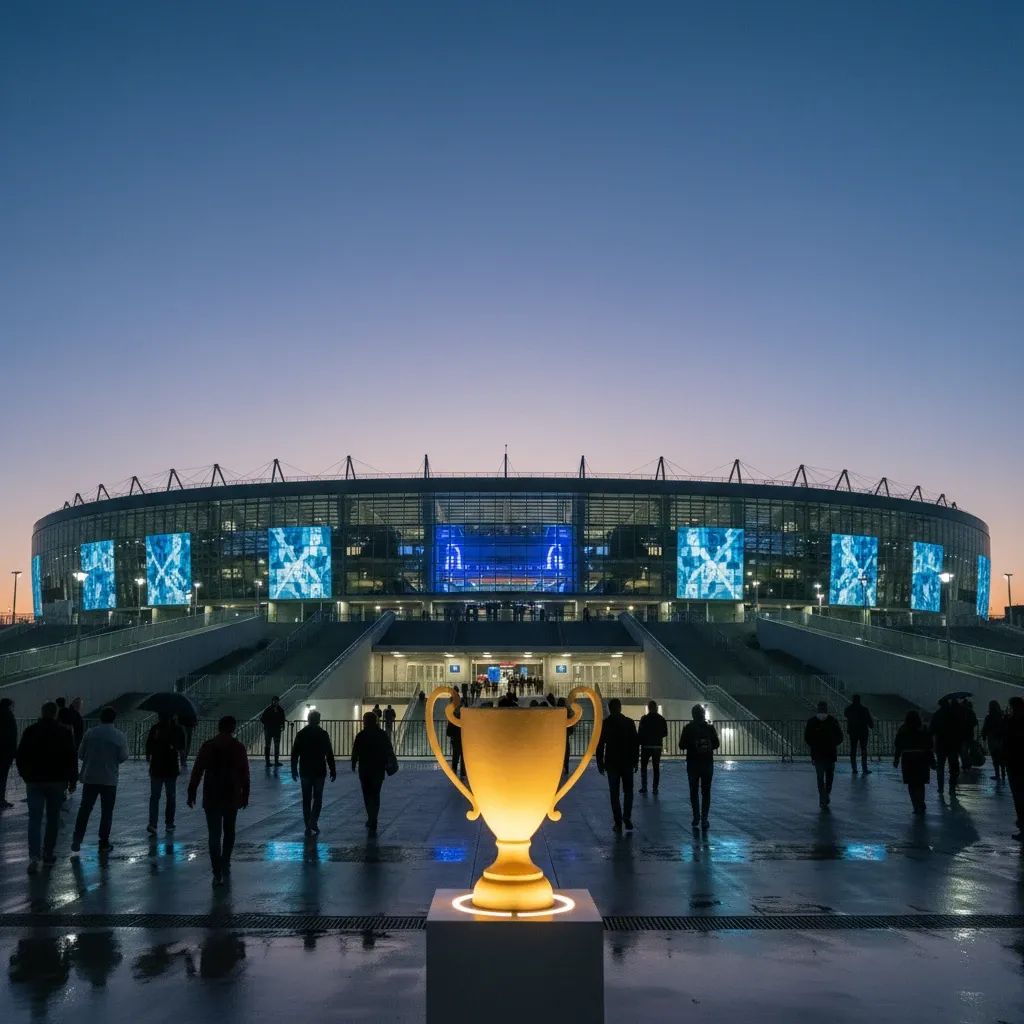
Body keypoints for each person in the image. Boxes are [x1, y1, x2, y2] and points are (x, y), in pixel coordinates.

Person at [187, 716, 250, 887]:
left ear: (218, 727)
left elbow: (198, 769)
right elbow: (244, 771)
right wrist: (245, 793)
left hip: (212, 794)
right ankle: (225, 860)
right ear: (233, 728)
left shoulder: (208, 746)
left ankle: (217, 870)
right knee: (229, 830)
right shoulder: (238, 747)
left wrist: (192, 790)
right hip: (231, 794)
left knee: (214, 834)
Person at [15, 702, 78, 873]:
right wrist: (72, 780)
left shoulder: (31, 730)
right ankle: (48, 853)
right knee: (52, 819)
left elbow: (20, 755)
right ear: (56, 714)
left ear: (42, 713)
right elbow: (71, 757)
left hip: (34, 781)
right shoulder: (64, 732)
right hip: (56, 781)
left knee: (34, 820)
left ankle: (34, 857)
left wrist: (25, 775)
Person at [71, 707, 129, 855]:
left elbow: (81, 754)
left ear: (100, 718)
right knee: (107, 812)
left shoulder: (90, 733)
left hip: (90, 777)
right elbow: (123, 757)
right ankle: (103, 842)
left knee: (84, 809)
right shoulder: (119, 736)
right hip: (109, 779)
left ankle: (77, 840)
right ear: (114, 719)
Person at [595, 698, 639, 833]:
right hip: (626, 762)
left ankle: (618, 821)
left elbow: (600, 744)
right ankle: (627, 816)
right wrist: (635, 760)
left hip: (612, 762)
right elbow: (635, 744)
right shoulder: (629, 723)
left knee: (614, 793)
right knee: (628, 791)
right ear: (620, 708)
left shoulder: (606, 724)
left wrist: (600, 762)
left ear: (610, 708)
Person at [290, 710, 336, 836]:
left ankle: (307, 824)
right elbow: (329, 753)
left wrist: (293, 769)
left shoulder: (301, 734)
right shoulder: (323, 734)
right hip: (319, 770)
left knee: (306, 798)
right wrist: (333, 769)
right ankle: (313, 821)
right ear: (319, 720)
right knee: (318, 798)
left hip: (305, 769)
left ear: (308, 719)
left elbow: (295, 754)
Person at [351, 710, 395, 834]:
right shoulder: (381, 734)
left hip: (365, 769)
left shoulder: (361, 735)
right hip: (378, 768)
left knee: (367, 794)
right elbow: (388, 749)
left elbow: (356, 751)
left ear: (365, 722)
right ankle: (374, 818)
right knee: (376, 794)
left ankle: (370, 817)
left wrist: (354, 763)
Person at [145, 711, 187, 834]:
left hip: (158, 767)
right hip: (170, 768)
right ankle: (168, 823)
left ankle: (154, 823)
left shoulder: (156, 728)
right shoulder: (177, 729)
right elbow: (182, 747)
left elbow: (149, 746)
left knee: (156, 796)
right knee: (170, 796)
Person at [678, 704, 720, 827]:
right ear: (703, 714)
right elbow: (717, 744)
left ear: (693, 715)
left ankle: (696, 817)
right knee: (706, 791)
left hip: (693, 763)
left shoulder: (688, 728)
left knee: (694, 791)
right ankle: (705, 818)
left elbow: (681, 745)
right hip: (707, 763)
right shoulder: (710, 728)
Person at [893, 710, 936, 814]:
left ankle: (915, 805)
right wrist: (932, 761)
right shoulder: (924, 729)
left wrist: (896, 759)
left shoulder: (903, 730)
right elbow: (929, 745)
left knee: (911, 784)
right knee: (920, 783)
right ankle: (921, 802)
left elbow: (898, 745)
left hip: (908, 759)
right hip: (922, 758)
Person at [804, 702, 844, 810]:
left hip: (817, 754)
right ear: (827, 709)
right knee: (830, 776)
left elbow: (807, 737)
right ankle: (827, 794)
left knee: (820, 777)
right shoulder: (833, 721)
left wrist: (814, 745)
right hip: (830, 753)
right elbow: (840, 737)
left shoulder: (812, 722)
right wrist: (832, 743)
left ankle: (822, 797)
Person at [930, 697, 964, 800]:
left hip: (941, 745)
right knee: (953, 767)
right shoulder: (954, 714)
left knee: (940, 767)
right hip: (953, 745)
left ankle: (940, 788)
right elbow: (960, 729)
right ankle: (952, 787)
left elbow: (932, 730)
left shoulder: (937, 715)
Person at [1004, 697, 1024, 840]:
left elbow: (1006, 740)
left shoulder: (1011, 722)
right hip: (1017, 763)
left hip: (1014, 764)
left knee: (1019, 798)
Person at [637, 700, 668, 795]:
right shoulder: (661, 719)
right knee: (656, 768)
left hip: (646, 746)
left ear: (649, 708)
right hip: (657, 746)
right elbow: (665, 733)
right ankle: (655, 788)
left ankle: (644, 786)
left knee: (643, 767)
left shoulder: (644, 719)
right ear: (656, 708)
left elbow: (640, 733)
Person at [843, 695, 874, 775]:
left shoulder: (849, 709)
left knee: (853, 750)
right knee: (864, 750)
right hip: (863, 732)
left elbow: (845, 714)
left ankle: (854, 769)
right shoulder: (864, 709)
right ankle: (864, 769)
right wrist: (871, 725)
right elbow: (870, 722)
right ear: (859, 700)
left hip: (853, 732)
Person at [982, 700, 1007, 784]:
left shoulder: (989, 717)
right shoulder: (1002, 716)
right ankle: (1003, 774)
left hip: (992, 738)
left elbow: (985, 728)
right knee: (1002, 757)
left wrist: (984, 736)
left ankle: (997, 774)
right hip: (1001, 739)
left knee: (995, 757)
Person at [260, 696, 286, 767]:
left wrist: (267, 724)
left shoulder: (269, 709)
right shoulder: (279, 709)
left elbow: (262, 719)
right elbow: (282, 719)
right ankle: (274, 761)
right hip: (274, 730)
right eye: (275, 701)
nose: (275, 702)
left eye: (276, 701)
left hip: (270, 730)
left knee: (269, 746)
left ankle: (269, 762)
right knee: (273, 746)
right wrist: (282, 726)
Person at [0, 697, 17, 810]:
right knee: (2, 777)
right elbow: (12, 736)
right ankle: (1, 800)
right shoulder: (9, 716)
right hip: (5, 753)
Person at [446, 706, 465, 780]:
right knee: (463, 759)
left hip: (455, 742)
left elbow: (448, 733)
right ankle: (463, 774)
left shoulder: (452, 721)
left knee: (455, 758)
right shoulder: (465, 720)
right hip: (463, 742)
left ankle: (454, 773)